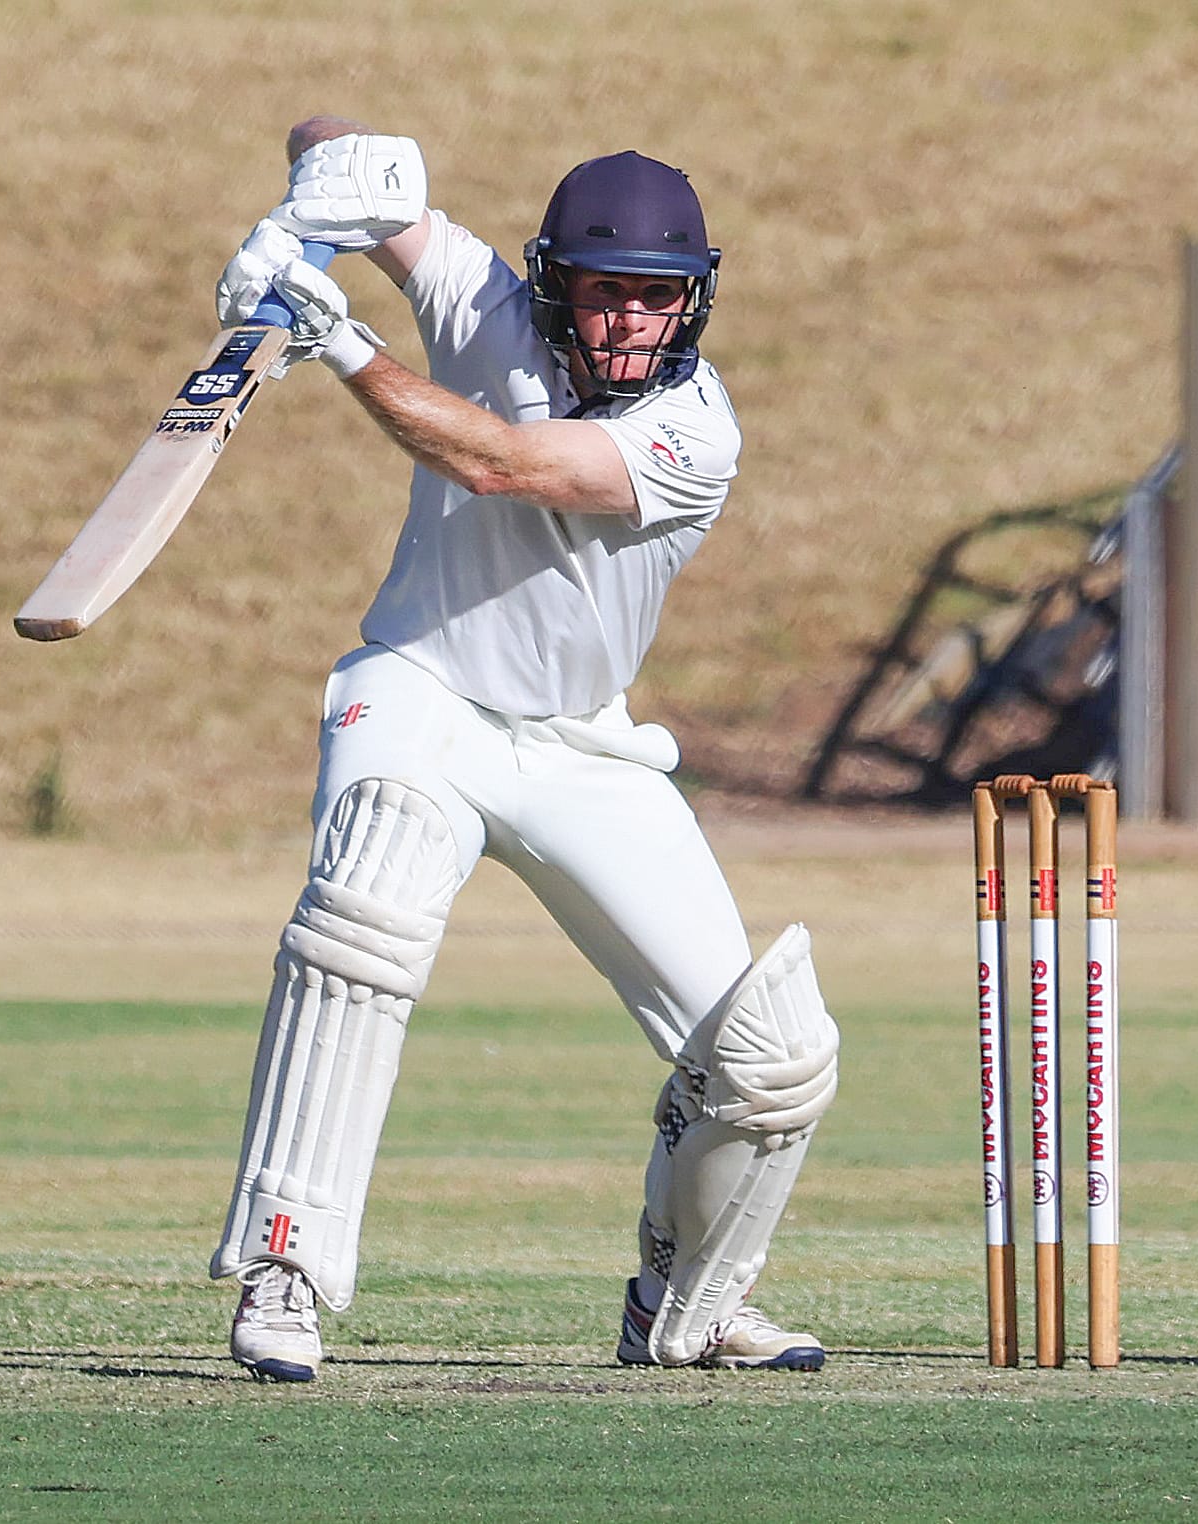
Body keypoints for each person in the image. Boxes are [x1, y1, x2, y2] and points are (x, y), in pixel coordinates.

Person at [207, 116, 840, 1383]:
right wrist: (315, 201)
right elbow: (347, 154)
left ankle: (688, 1304)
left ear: (692, 300)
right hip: (420, 697)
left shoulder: (694, 430)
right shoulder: (485, 304)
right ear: (554, 285)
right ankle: (285, 1268)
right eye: (605, 294)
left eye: (655, 297)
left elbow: (500, 464)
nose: (628, 320)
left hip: (581, 745)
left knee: (771, 1061)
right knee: (362, 921)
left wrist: (336, 338)